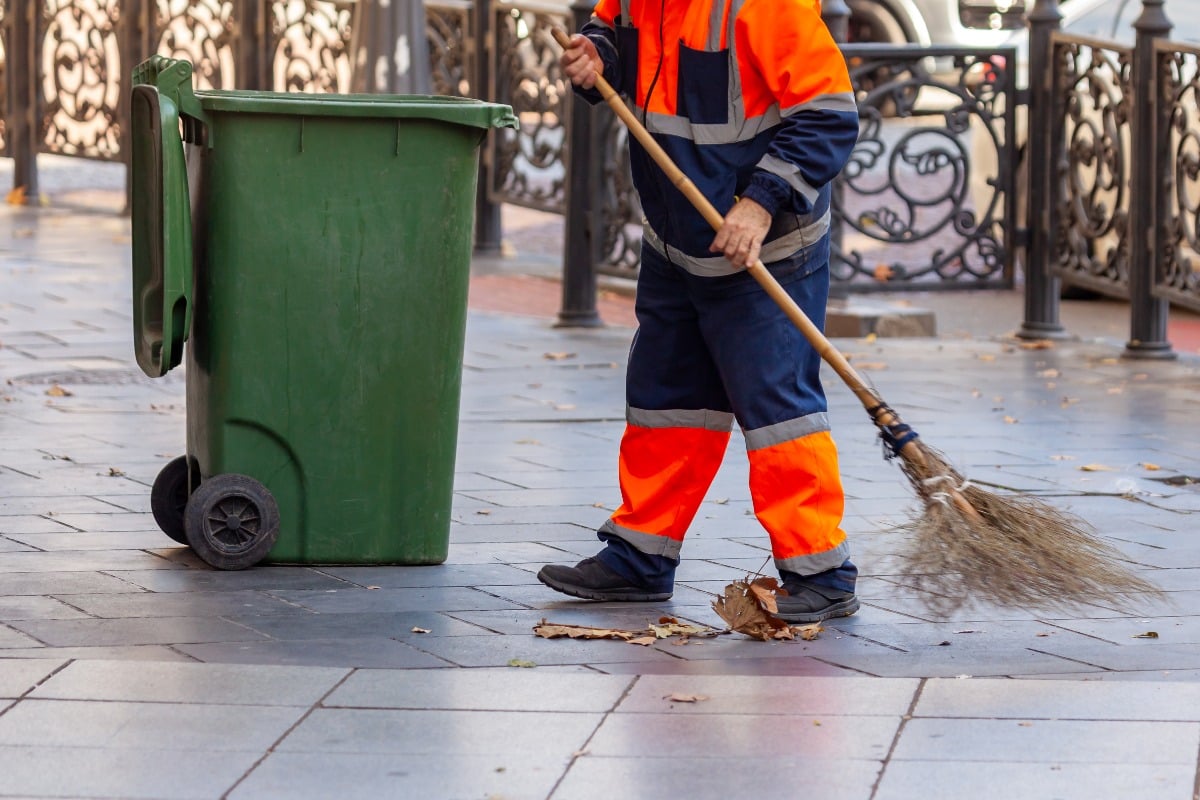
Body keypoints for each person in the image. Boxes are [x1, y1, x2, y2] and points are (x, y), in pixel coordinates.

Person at [536, 0, 862, 623]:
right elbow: (614, 32)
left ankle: (821, 570)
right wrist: (594, 54)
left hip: (762, 245)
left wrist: (761, 201)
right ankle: (641, 556)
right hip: (678, 237)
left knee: (777, 411)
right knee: (666, 398)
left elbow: (828, 116)